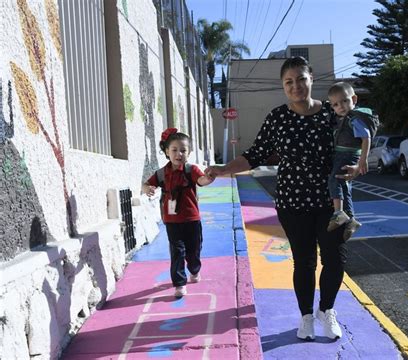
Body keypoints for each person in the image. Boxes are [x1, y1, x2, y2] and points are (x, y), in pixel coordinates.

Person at [206, 57, 360, 341]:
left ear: (311, 78)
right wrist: (224, 169)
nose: (296, 86)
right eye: (289, 82)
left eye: (301, 79)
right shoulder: (277, 118)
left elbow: (358, 139)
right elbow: (255, 154)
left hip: (331, 200)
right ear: (283, 86)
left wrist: (358, 165)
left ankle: (326, 311)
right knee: (304, 262)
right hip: (292, 203)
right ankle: (306, 317)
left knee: (335, 260)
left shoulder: (333, 113)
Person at [143, 128, 214, 298]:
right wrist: (147, 189)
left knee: (194, 251)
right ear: (167, 152)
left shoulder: (191, 170)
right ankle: (179, 283)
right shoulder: (161, 173)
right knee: (177, 252)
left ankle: (194, 269)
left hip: (192, 219)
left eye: (183, 150)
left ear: (188, 153)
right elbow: (146, 183)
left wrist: (209, 177)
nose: (178, 154)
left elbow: (202, 180)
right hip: (172, 220)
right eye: (174, 150)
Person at [327, 82, 375, 240]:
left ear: (354, 99)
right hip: (344, 153)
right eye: (335, 104)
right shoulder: (345, 118)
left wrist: (362, 161)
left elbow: (366, 138)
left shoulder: (354, 119)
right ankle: (351, 219)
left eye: (345, 101)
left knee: (334, 180)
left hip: (347, 154)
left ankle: (339, 213)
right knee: (344, 185)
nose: (340, 106)